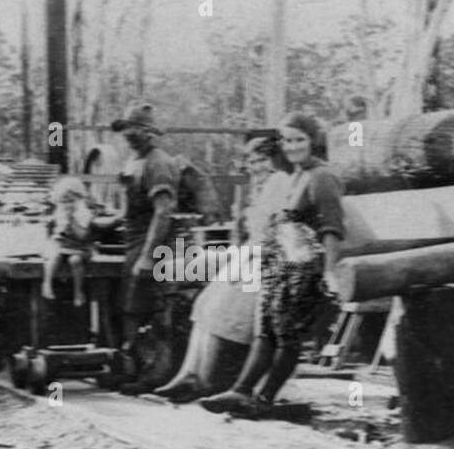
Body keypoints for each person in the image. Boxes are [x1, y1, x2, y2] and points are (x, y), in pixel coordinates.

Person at [200, 112, 345, 417]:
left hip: (304, 269)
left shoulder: (322, 177)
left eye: (299, 140)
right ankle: (240, 391)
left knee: (287, 337)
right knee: (265, 331)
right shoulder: (296, 174)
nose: (292, 147)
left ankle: (264, 398)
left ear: (314, 141)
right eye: (287, 140)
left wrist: (330, 272)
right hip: (279, 266)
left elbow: (332, 229)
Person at [153, 131, 289, 402]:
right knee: (205, 301)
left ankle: (204, 380)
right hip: (249, 256)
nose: (255, 167)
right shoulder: (259, 188)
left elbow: (276, 235)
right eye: (251, 161)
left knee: (220, 306)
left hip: (270, 262)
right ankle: (188, 373)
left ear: (275, 158)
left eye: (261, 160)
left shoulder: (282, 183)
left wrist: (245, 256)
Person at [112, 101, 181, 394]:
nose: (129, 134)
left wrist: (148, 256)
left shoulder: (158, 163)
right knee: (131, 310)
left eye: (137, 129)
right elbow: (128, 210)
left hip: (153, 247)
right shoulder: (133, 162)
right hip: (133, 242)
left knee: (153, 312)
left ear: (150, 133)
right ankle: (132, 369)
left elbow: (162, 212)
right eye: (127, 128)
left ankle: (155, 375)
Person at [42, 175, 95, 307]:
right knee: (54, 255)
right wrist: (57, 231)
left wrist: (71, 219)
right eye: (64, 201)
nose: (67, 204)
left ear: (79, 199)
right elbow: (58, 232)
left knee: (75, 261)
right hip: (63, 245)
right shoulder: (59, 211)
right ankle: (47, 284)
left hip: (80, 246)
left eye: (71, 201)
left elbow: (82, 235)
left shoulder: (84, 213)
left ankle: (78, 292)